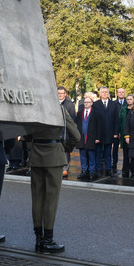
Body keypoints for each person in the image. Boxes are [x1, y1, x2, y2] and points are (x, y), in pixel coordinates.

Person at [26, 107, 80, 253]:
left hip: (36, 155)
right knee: (51, 199)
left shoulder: (33, 108)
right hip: (54, 156)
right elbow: (76, 135)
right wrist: (64, 148)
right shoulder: (59, 109)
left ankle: (38, 238)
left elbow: (25, 133)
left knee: (37, 198)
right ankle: (48, 239)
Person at [93, 87, 119, 177]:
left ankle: (108, 169)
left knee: (108, 153)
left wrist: (116, 132)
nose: (104, 94)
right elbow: (94, 120)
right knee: (98, 153)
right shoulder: (95, 104)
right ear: (100, 94)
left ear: (108, 94)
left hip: (110, 133)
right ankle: (98, 170)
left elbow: (116, 119)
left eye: (106, 92)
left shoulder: (113, 104)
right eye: (103, 92)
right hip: (98, 134)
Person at [75, 97, 102, 180]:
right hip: (82, 137)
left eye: (88, 102)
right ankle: (84, 171)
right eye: (85, 102)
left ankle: (92, 171)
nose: (86, 103)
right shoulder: (79, 113)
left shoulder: (96, 113)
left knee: (91, 155)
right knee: (82, 155)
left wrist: (98, 137)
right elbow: (77, 125)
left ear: (91, 103)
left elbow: (99, 127)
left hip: (91, 137)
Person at [58, 86, 76, 177]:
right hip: (56, 131)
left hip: (65, 132)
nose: (60, 95)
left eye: (61, 93)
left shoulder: (70, 105)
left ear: (65, 94)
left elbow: (72, 118)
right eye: (58, 93)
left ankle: (65, 169)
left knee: (66, 151)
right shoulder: (53, 103)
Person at [119, 94, 134, 178]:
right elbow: (120, 121)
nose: (129, 101)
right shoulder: (123, 109)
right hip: (125, 134)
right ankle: (125, 171)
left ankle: (133, 171)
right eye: (128, 99)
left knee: (132, 155)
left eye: (130, 99)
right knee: (125, 154)